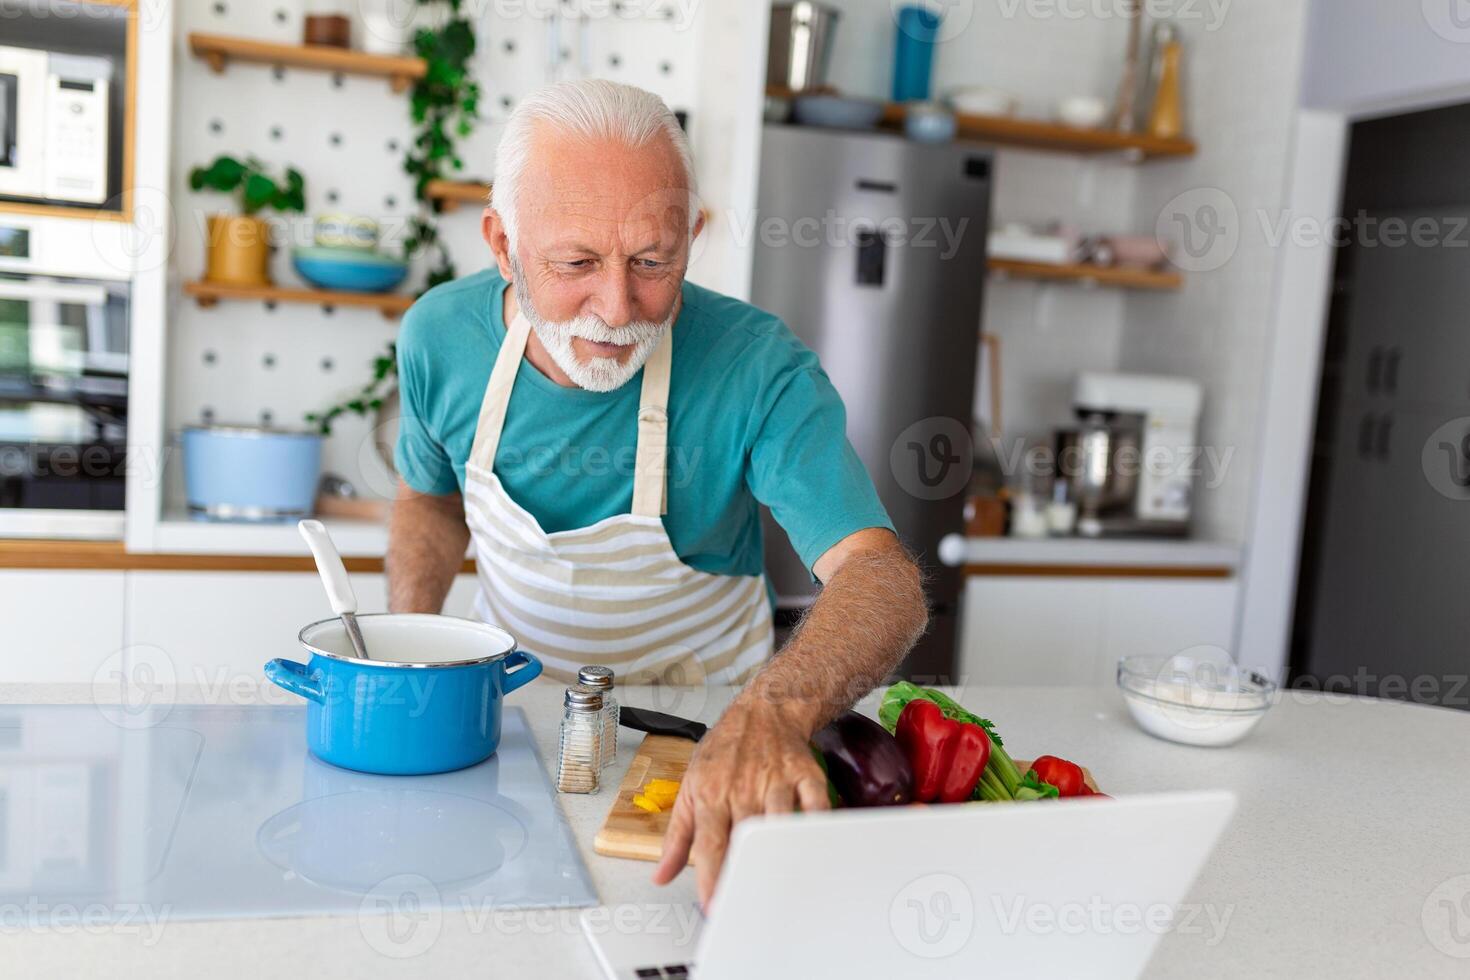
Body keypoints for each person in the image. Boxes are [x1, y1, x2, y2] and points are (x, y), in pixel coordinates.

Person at [386, 79, 928, 905]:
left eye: (652, 262)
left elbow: (881, 577)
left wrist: (774, 715)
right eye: (574, 264)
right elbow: (428, 497)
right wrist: (409, 644)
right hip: (507, 732)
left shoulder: (758, 368)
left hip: (709, 742)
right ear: (503, 245)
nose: (615, 307)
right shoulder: (439, 337)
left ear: (692, 236)